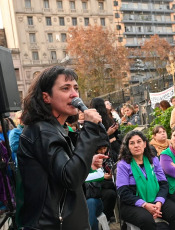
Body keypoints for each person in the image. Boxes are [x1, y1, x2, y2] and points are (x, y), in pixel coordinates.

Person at [16, 65, 108, 229]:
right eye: (65, 88)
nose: (74, 94)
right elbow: (69, 177)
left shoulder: (55, 129)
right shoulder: (42, 131)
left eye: (75, 88)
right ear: (46, 97)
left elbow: (61, 171)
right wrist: (90, 130)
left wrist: (87, 161)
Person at [116, 130, 175, 230]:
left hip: (155, 199)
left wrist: (159, 202)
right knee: (146, 220)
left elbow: (164, 184)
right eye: (132, 143)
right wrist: (144, 204)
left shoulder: (153, 160)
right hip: (132, 203)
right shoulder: (123, 164)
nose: (136, 145)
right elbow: (123, 192)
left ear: (144, 144)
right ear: (127, 147)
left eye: (139, 142)